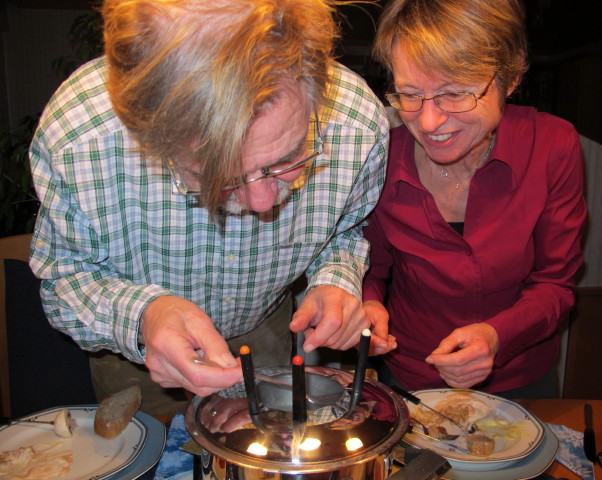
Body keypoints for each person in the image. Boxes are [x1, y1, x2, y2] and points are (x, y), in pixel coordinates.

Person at [28, 0, 393, 414]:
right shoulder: (80, 140)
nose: (262, 204)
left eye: (287, 159)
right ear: (150, 135)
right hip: (139, 359)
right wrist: (145, 316)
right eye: (216, 177)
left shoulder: (356, 126)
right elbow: (65, 277)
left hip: (268, 333)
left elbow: (346, 230)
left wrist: (335, 278)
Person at [362, 0, 586, 398]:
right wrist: (368, 306)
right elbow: (372, 271)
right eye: (410, 94)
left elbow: (556, 283)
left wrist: (497, 336)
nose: (428, 123)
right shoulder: (381, 156)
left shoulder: (552, 145)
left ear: (510, 75)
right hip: (410, 380)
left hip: (521, 380)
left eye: (455, 94)